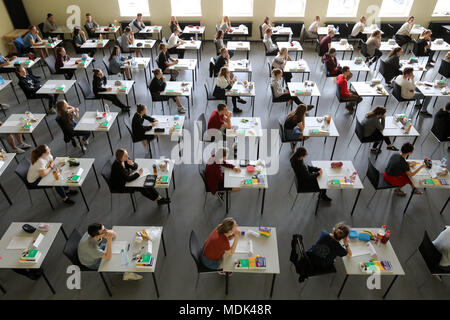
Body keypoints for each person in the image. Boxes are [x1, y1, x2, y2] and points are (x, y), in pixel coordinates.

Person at [77, 222, 143, 280]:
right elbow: (108, 257)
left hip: (96, 248)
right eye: (103, 231)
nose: (106, 231)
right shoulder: (91, 248)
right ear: (97, 236)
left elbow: (114, 235)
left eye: (104, 229)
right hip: (92, 262)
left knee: (118, 250)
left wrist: (109, 233)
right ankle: (126, 274)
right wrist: (108, 240)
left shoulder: (92, 232)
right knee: (113, 261)